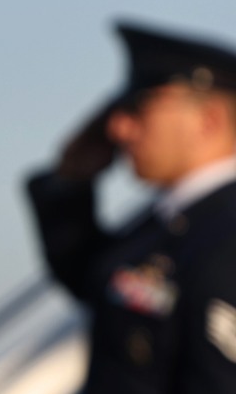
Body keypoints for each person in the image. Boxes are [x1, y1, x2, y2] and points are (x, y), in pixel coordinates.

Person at [26, 20, 236, 393]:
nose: (118, 129)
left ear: (209, 120)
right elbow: (93, 279)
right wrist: (70, 182)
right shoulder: (168, 224)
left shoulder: (223, 233)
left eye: (139, 110)